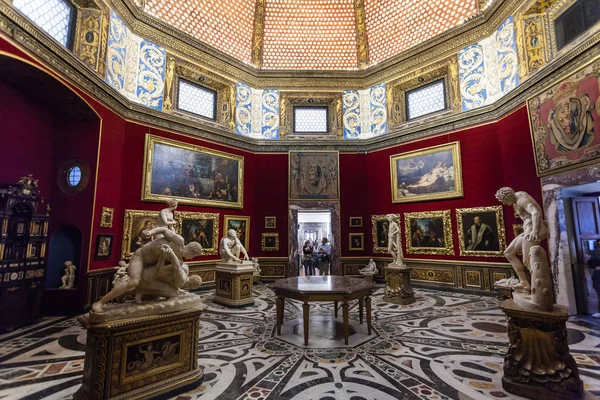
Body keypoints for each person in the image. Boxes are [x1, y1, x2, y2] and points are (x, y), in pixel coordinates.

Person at [92, 226, 203, 313]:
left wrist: (164, 258)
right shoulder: (179, 241)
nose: (192, 258)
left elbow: (161, 271)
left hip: (150, 266)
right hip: (140, 257)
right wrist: (151, 232)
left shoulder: (179, 261)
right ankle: (100, 303)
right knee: (134, 281)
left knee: (144, 282)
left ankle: (134, 293)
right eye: (194, 256)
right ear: (191, 251)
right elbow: (164, 230)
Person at [495, 187, 548, 294]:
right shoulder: (517, 197)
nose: (504, 203)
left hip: (533, 230)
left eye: (503, 201)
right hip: (528, 229)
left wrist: (535, 231)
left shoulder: (521, 200)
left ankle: (538, 288)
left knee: (527, 261)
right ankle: (524, 283)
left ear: (508, 197)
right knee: (508, 253)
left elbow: (535, 212)